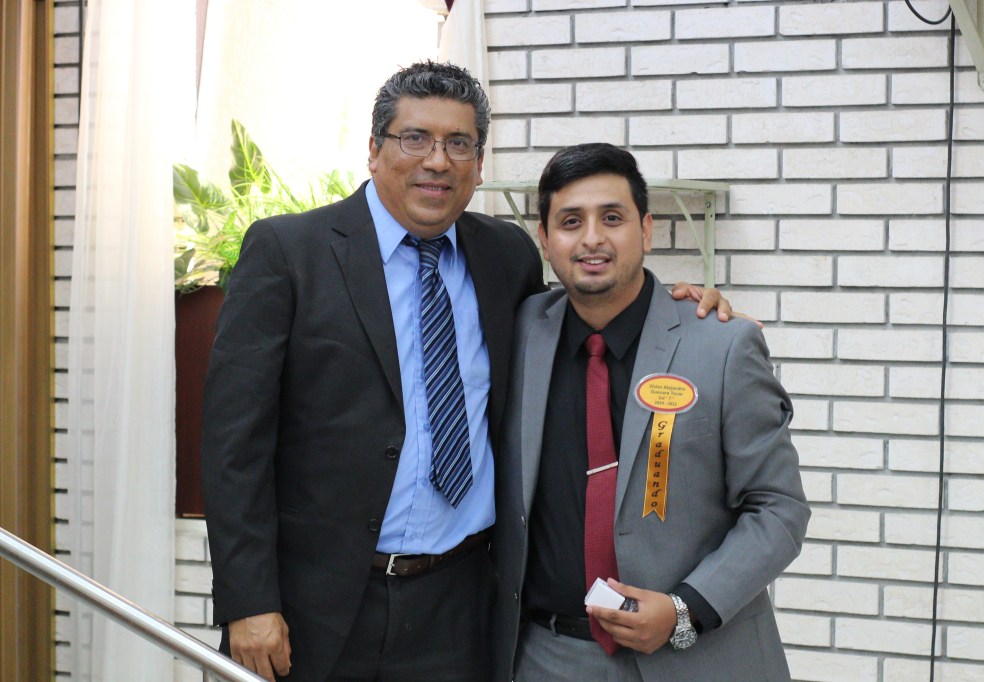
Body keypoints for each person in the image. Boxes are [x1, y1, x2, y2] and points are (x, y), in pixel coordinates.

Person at [201, 63, 731, 682]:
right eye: (415, 139)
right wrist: (248, 600)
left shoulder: (504, 256)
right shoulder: (290, 252)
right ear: (373, 150)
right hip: (316, 604)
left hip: (461, 604)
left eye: (459, 144)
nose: (437, 161)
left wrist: (680, 311)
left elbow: (580, 322)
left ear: (479, 165)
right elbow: (234, 442)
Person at [492, 143, 810, 682]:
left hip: (696, 658)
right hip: (549, 657)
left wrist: (686, 610)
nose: (592, 238)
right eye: (570, 221)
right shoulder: (517, 331)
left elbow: (779, 509)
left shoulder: (722, 345)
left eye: (612, 218)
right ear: (544, 238)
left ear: (646, 229)